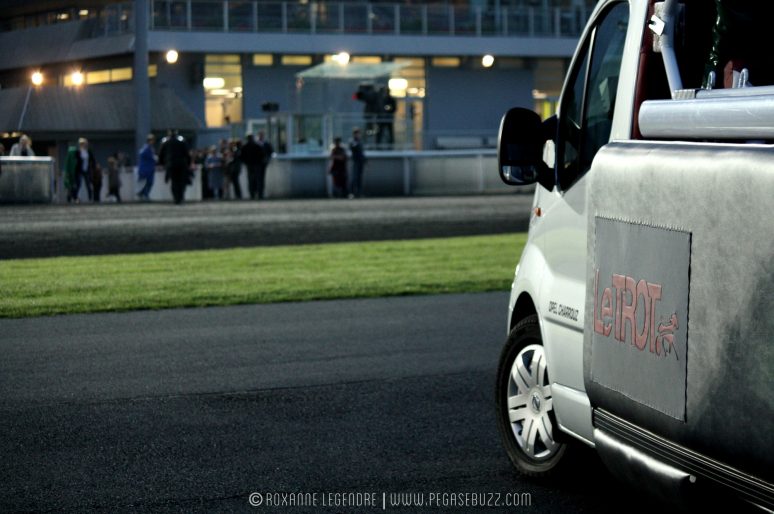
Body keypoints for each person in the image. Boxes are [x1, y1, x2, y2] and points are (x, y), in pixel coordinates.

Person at [159, 129, 191, 204]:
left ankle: (176, 198)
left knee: (174, 182)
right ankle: (181, 197)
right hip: (181, 164)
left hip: (171, 164)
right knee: (181, 182)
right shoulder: (181, 141)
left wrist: (162, 164)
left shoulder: (165, 142)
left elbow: (161, 154)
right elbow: (187, 153)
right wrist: (188, 163)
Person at [240, 134, 265, 200]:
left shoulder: (245, 147)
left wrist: (246, 162)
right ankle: (260, 194)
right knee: (258, 180)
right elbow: (262, 155)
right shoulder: (257, 146)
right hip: (257, 164)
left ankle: (252, 194)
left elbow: (242, 156)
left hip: (249, 165)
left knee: (250, 180)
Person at [137, 133, 157, 201]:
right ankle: (144, 194)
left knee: (149, 182)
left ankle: (143, 193)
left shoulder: (149, 148)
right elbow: (145, 155)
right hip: (146, 168)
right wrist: (154, 158)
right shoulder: (147, 148)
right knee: (148, 182)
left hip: (150, 168)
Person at [348, 128, 366, 198]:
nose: (358, 135)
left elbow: (362, 153)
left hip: (360, 162)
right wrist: (356, 143)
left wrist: (365, 161)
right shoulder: (352, 141)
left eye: (358, 133)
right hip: (355, 162)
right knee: (354, 178)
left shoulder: (360, 141)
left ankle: (359, 193)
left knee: (360, 178)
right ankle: (351, 193)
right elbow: (352, 147)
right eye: (356, 133)